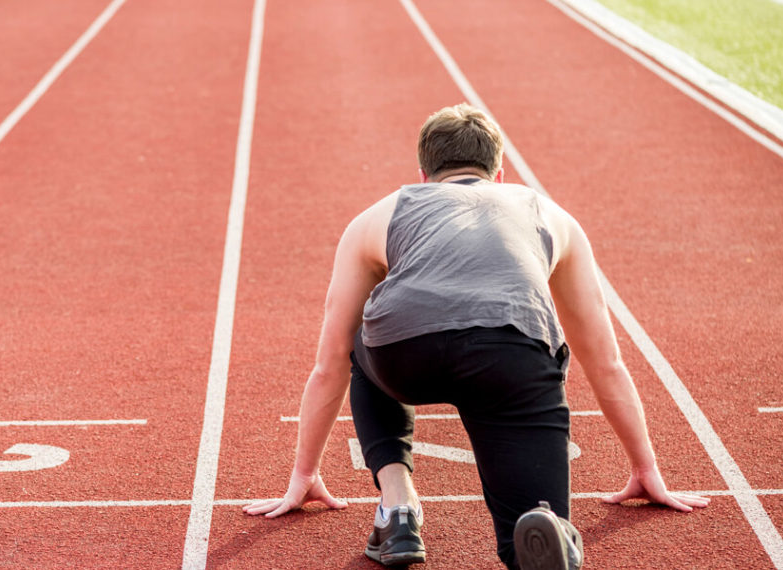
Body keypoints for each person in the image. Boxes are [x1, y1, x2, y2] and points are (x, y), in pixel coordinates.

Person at [242, 103, 709, 569]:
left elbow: (329, 363)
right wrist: (645, 468)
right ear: (499, 174)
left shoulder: (379, 214)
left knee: (360, 343)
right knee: (536, 530)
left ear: (423, 176)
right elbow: (604, 361)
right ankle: (536, 529)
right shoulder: (549, 213)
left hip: (404, 354)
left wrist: (304, 473)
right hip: (511, 354)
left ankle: (398, 506)